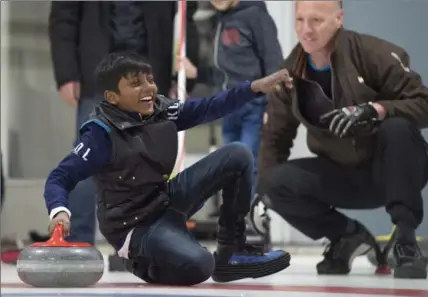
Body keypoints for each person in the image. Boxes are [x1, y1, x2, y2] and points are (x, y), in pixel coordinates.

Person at [44, 52, 293, 286]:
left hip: (165, 199)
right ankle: (143, 263)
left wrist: (254, 88)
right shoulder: (99, 133)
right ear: (113, 97)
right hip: (136, 228)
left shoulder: (161, 110)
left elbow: (209, 107)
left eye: (149, 80)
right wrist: (59, 211)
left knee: (238, 154)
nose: (148, 88)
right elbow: (60, 177)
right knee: (202, 265)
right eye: (135, 83)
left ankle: (231, 252)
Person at [256, 0, 428, 280]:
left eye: (316, 20)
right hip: (340, 176)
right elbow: (275, 137)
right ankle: (346, 237)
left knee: (398, 128)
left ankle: (405, 239)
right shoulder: (289, 74)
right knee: (270, 181)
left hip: (391, 171)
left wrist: (376, 110)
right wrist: (261, 197)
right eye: (300, 20)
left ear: (338, 19)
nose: (306, 30)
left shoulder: (373, 54)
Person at [48, 1, 200, 245]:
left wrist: (182, 72)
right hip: (98, 71)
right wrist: (67, 72)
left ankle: (140, 241)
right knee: (87, 157)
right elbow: (64, 17)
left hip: (151, 69)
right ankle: (75, 241)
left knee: (147, 161)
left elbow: (184, 15)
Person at [180, 0, 283, 186]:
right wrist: (197, 73)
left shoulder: (255, 16)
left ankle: (245, 212)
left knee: (246, 165)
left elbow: (273, 63)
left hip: (253, 107)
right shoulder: (221, 19)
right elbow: (222, 71)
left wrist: (273, 106)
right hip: (229, 106)